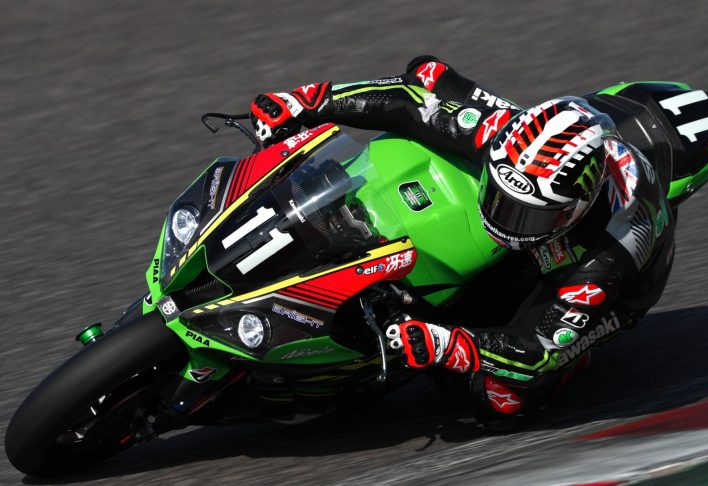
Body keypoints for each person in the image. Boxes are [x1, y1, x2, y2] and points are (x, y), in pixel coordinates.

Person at [248, 56, 676, 430]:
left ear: (574, 208)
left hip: (612, 292)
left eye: (526, 215)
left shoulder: (608, 253)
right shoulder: (502, 135)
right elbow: (414, 92)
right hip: (550, 215)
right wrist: (309, 101)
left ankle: (571, 367)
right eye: (500, 197)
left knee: (500, 400)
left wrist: (453, 346)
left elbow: (537, 348)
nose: (504, 219)